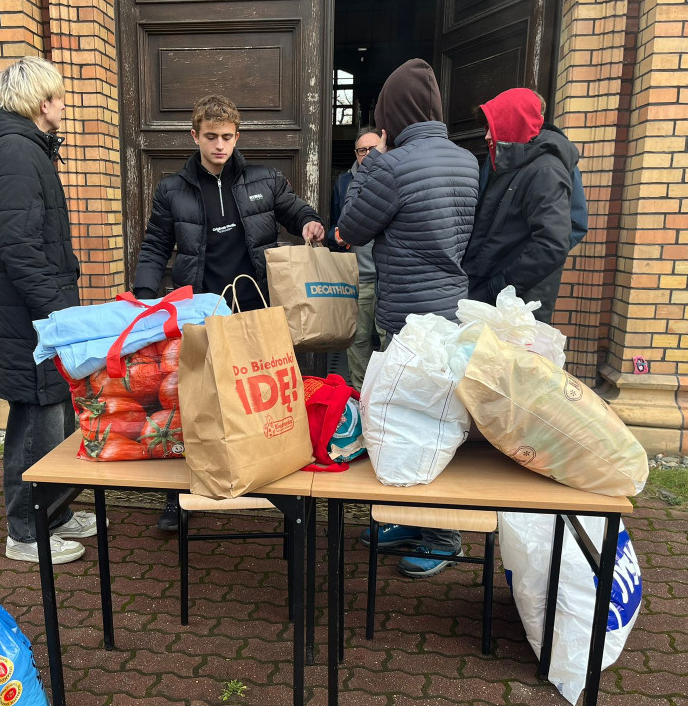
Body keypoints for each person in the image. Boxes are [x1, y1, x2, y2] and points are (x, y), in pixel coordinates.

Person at [133, 94, 325, 530]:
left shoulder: (265, 178)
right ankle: (178, 496)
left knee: (261, 396)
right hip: (200, 311)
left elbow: (294, 210)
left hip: (255, 308)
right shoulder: (172, 189)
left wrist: (310, 222)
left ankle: (269, 475)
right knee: (190, 401)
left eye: (227, 137)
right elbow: (154, 246)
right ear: (195, 136)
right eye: (211, 137)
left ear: (237, 136)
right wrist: (146, 298)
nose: (220, 145)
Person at [336, 58, 479, 578]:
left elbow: (348, 230)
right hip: (450, 310)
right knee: (432, 421)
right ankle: (416, 522)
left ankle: (442, 534)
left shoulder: (391, 166)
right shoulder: (466, 161)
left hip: (410, 316)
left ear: (391, 115)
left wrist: (369, 167)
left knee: (413, 425)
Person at [0, 56, 99, 564]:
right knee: (35, 421)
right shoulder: (17, 153)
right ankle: (26, 530)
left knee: (54, 412)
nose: (65, 105)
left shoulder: (28, 150)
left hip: (36, 316)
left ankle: (58, 510)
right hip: (31, 320)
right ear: (42, 103)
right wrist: (57, 314)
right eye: (62, 96)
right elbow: (18, 246)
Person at [463, 88, 583, 323]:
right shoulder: (511, 162)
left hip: (516, 299)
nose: (486, 136)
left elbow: (552, 244)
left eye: (492, 127)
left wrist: (499, 285)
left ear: (513, 122)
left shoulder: (545, 170)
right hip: (498, 292)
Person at [328, 127, 381, 391]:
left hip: (390, 277)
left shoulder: (394, 177)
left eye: (374, 149)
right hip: (358, 276)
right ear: (356, 154)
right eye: (363, 150)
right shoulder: (344, 182)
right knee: (358, 339)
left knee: (389, 340)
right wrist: (337, 234)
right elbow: (336, 224)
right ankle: (361, 395)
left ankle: (386, 398)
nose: (368, 155)